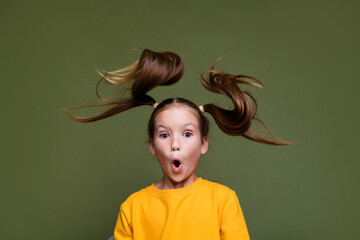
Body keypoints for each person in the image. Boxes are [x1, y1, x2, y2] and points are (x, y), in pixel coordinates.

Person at [66, 49, 292, 240]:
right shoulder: (133, 207)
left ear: (204, 144)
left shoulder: (223, 200)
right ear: (152, 146)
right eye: (164, 135)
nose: (175, 144)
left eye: (187, 134)